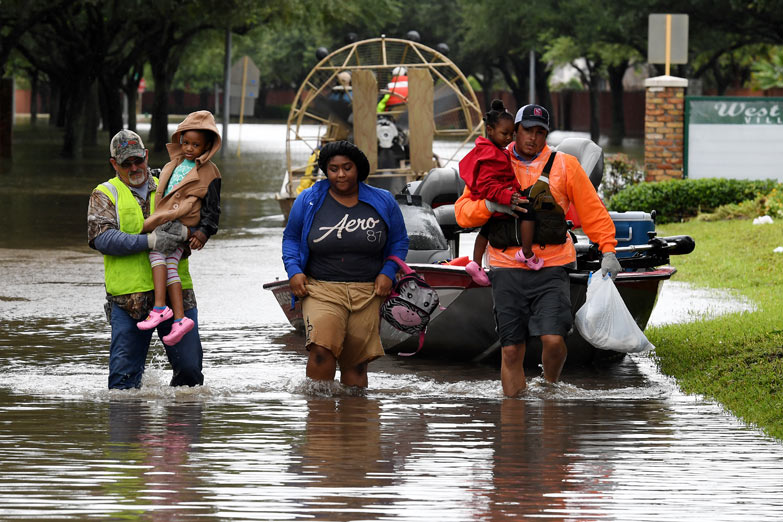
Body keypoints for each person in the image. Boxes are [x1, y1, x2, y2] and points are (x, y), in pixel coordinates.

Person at [454, 104, 621, 397]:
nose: (533, 138)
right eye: (527, 131)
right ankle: (514, 418)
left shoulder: (566, 165)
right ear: (513, 132)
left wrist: (608, 251)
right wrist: (490, 205)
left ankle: (550, 390)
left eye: (540, 132)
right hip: (505, 267)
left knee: (554, 340)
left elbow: (593, 211)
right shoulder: (491, 161)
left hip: (553, 265)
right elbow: (463, 213)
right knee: (511, 350)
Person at [282, 140, 409, 388]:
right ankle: (320, 418)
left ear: (358, 169)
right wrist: (294, 271)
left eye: (347, 167)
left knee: (357, 362)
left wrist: (388, 271)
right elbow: (291, 238)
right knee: (321, 351)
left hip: (368, 291)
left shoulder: (382, 200)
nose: (340, 174)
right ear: (326, 171)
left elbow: (399, 241)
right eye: (333, 168)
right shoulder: (309, 199)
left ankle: (356, 419)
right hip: (321, 288)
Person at [87, 130, 208, 390]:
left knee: (190, 377)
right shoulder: (104, 194)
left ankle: (180, 427)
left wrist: (192, 233)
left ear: (146, 156)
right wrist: (149, 242)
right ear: (113, 164)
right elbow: (103, 240)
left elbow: (201, 214)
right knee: (123, 385)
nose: (134, 167)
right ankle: (131, 427)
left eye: (138, 160)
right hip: (128, 301)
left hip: (178, 297)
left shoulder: (172, 182)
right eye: (126, 163)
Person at [136, 111, 222, 346]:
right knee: (171, 265)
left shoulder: (210, 173)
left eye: (196, 145)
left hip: (182, 221)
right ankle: (180, 319)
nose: (189, 148)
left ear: (207, 147)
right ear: (179, 140)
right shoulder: (172, 164)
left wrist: (203, 232)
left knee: (156, 252)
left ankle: (160, 307)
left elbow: (213, 208)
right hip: (168, 220)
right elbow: (163, 185)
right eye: (185, 142)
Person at [459, 99, 542, 287]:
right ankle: (527, 253)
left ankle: (476, 264)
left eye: (511, 134)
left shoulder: (492, 150)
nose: (508, 139)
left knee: (486, 230)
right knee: (528, 212)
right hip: (499, 199)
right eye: (504, 134)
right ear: (490, 130)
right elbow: (487, 184)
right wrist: (506, 197)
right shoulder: (491, 155)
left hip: (498, 199)